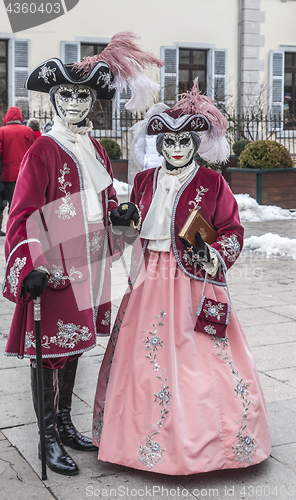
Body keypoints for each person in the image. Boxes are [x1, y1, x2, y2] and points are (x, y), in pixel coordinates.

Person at [2, 32, 162, 476]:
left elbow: (105, 203)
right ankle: (47, 436)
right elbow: (22, 214)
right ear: (54, 100)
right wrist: (30, 264)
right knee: (50, 352)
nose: (73, 103)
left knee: (73, 348)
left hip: (90, 263)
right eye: (65, 94)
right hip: (55, 267)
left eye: (82, 95)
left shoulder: (94, 149)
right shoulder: (43, 149)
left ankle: (67, 424)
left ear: (93, 101)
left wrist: (122, 216)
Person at [92, 79, 271, 475]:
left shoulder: (212, 182)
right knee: (143, 362)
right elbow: (129, 232)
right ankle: (136, 441)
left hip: (193, 281)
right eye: (168, 144)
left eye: (183, 143)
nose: (175, 150)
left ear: (195, 144)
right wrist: (121, 224)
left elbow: (232, 231)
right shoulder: (143, 181)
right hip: (148, 278)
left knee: (200, 358)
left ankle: (211, 443)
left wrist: (214, 253)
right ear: (160, 147)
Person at [0, 106, 35, 211]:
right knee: (24, 203)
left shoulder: (2, 132)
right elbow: (34, 153)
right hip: (26, 174)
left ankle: (12, 224)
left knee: (12, 202)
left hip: (8, 174)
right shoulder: (28, 131)